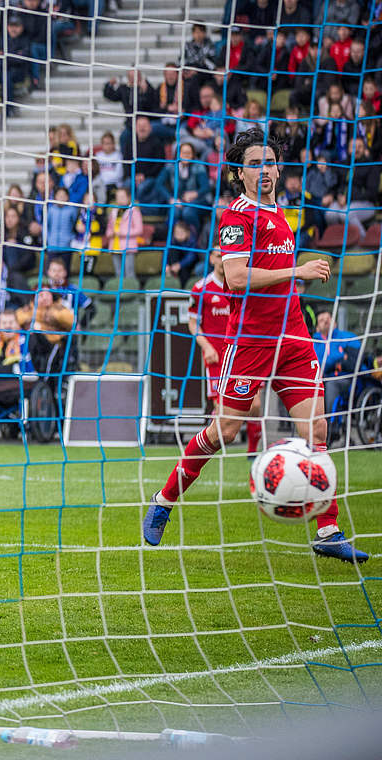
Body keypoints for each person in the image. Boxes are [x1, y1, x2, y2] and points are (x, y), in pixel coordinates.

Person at [142, 129, 366, 563]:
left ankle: (328, 529)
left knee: (316, 430)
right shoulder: (235, 217)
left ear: (279, 168)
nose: (263, 170)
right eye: (253, 163)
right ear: (237, 173)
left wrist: (294, 283)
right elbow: (237, 278)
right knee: (223, 432)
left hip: (295, 339)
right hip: (252, 342)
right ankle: (164, 500)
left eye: (269, 162)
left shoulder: (282, 215)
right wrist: (296, 273)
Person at [186, 250, 260, 454]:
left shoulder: (242, 284)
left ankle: (252, 451)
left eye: (224, 255)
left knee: (255, 405)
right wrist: (206, 346)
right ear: (211, 258)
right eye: (218, 256)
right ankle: (211, 448)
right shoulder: (201, 289)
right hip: (217, 356)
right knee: (222, 408)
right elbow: (193, 324)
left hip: (244, 354)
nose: (221, 260)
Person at [313, 311, 360, 435]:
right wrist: (338, 357)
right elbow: (317, 365)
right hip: (321, 379)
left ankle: (331, 426)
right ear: (317, 327)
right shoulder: (313, 343)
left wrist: (326, 364)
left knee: (332, 384)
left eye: (328, 318)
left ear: (335, 322)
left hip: (345, 379)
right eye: (322, 320)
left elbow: (353, 364)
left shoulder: (348, 337)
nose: (326, 321)